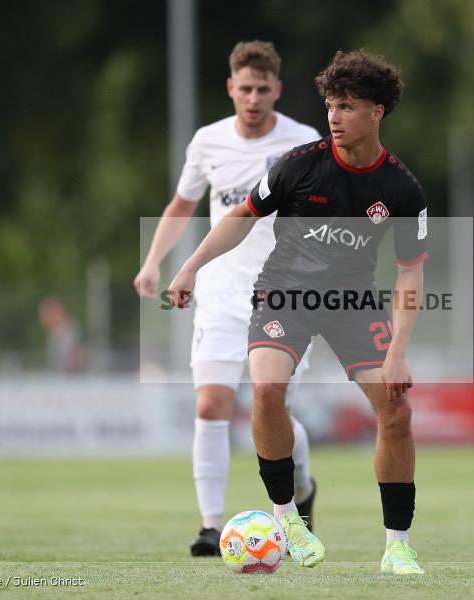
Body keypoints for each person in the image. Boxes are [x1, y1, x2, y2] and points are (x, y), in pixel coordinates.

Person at [167, 50, 428, 575]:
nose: (334, 116)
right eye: (331, 104)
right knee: (266, 390)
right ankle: (288, 520)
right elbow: (241, 217)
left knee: (396, 412)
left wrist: (398, 353)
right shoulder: (299, 163)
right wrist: (191, 266)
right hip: (284, 292)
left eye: (347, 106)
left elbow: (409, 274)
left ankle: (397, 545)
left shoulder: (401, 188)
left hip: (352, 301)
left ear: (377, 112)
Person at [134, 41, 321, 556]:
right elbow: (181, 203)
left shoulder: (304, 142)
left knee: (272, 408)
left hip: (286, 295)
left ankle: (303, 490)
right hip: (219, 292)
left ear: (277, 90)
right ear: (231, 89)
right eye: (246, 88)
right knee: (212, 403)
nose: (254, 98)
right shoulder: (208, 142)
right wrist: (153, 262)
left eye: (264, 89)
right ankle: (211, 529)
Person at [38, 297, 85, 373]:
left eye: (44, 313)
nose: (42, 318)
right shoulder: (54, 334)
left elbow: (74, 361)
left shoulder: (69, 331)